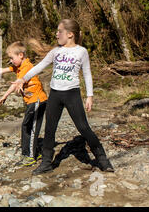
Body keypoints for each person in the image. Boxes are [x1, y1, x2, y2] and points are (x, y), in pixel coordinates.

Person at [13, 19, 114, 175]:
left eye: (59, 31)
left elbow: (87, 74)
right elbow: (39, 66)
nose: (56, 34)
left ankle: (103, 159)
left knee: (83, 128)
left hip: (72, 94)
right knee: (49, 129)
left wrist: (90, 96)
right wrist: (23, 79)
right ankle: (46, 163)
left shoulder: (81, 51)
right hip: (55, 94)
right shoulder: (55, 51)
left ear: (70, 34)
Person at [0, 41, 48, 167]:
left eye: (12, 58)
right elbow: (2, 70)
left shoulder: (26, 67)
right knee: (25, 126)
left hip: (38, 100)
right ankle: (31, 152)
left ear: (21, 55)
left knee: (31, 128)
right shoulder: (18, 66)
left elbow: (17, 82)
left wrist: (5, 95)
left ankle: (31, 156)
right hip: (31, 101)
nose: (11, 61)